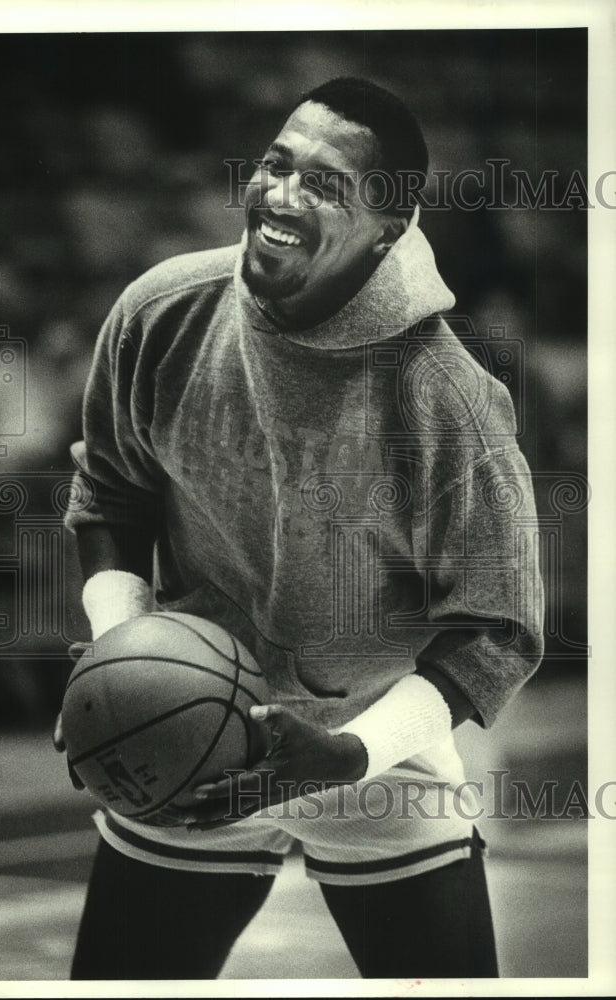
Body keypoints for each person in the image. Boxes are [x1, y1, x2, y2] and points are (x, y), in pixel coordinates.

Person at [56, 76, 544, 979]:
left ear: (386, 230)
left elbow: (498, 633)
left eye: (326, 185)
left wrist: (351, 753)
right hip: (191, 723)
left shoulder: (445, 399)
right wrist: (121, 659)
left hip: (375, 744)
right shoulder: (162, 311)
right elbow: (113, 497)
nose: (281, 194)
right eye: (277, 165)